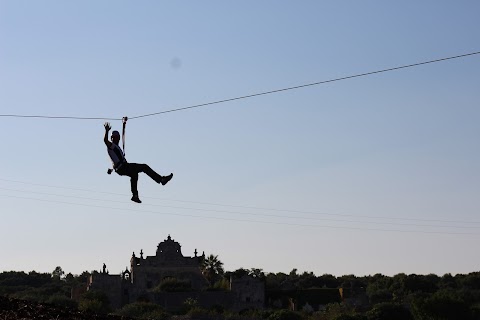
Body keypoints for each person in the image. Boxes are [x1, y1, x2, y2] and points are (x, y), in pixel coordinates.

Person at [104, 122, 173, 203]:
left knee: (134, 175)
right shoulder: (111, 146)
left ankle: (135, 195)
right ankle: (161, 179)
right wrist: (107, 131)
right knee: (144, 167)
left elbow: (116, 159)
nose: (115, 139)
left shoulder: (116, 147)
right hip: (122, 167)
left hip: (122, 167)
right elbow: (105, 140)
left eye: (116, 137)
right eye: (113, 138)